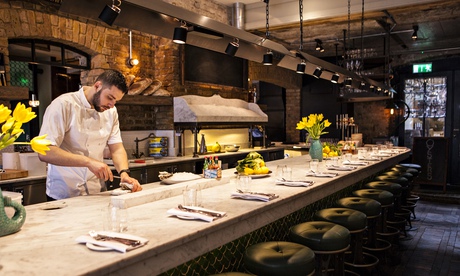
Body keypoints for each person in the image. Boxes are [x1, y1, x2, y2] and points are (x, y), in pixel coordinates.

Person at [38, 69, 142, 200]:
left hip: (96, 192)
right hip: (64, 193)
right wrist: (88, 162)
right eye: (109, 97)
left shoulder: (111, 111)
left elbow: (116, 148)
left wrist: (124, 173)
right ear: (97, 85)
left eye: (116, 101)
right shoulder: (63, 105)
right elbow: (45, 152)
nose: (111, 105)